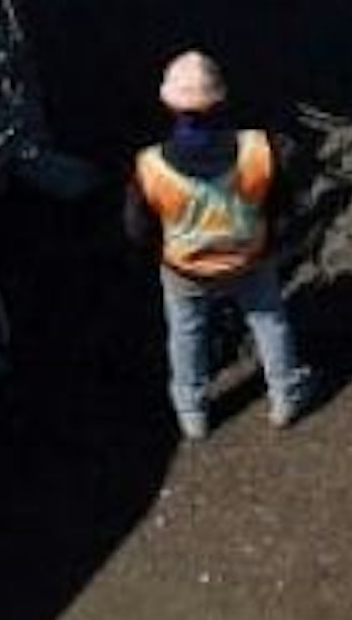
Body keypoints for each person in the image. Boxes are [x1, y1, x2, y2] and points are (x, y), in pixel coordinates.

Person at [124, 50, 313, 440]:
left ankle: (192, 413)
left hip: (185, 267)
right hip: (248, 255)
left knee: (186, 333)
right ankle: (286, 394)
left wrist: (158, 249)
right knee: (268, 319)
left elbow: (137, 226)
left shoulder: (151, 166)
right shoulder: (260, 149)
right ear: (221, 99)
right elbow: (283, 200)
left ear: (169, 104)